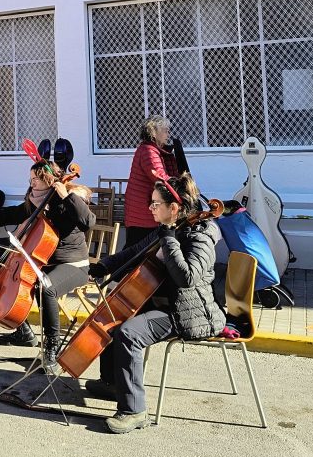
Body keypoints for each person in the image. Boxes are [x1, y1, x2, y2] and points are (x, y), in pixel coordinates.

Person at [83, 173, 225, 434]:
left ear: (174, 208)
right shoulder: (168, 229)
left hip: (189, 312)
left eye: (156, 203)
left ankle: (134, 411)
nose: (150, 208)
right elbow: (133, 253)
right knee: (114, 313)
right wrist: (103, 266)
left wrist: (169, 238)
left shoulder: (201, 236)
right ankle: (112, 383)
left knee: (128, 334)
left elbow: (187, 279)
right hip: (165, 303)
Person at [0, 160, 94, 372]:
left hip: (74, 264)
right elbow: (10, 214)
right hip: (47, 264)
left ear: (48, 179)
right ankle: (24, 331)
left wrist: (66, 195)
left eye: (36, 179)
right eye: (31, 179)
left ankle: (52, 345)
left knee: (46, 287)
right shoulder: (36, 202)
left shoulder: (68, 199)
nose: (32, 183)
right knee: (19, 283)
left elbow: (88, 222)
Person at [124, 115, 179, 248]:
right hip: (142, 214)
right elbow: (159, 177)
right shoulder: (148, 151)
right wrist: (182, 186)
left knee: (137, 252)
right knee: (137, 252)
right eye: (165, 130)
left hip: (142, 211)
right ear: (154, 132)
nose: (168, 134)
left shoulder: (149, 149)